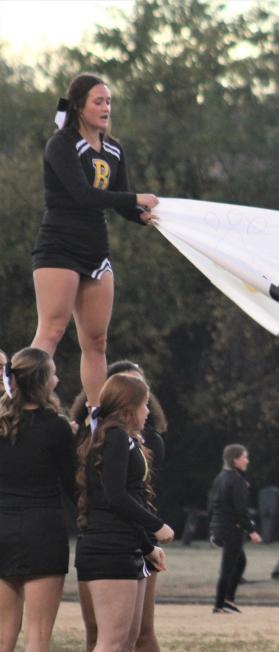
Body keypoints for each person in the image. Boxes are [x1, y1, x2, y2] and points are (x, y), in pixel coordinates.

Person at [31, 73, 160, 409]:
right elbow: (84, 195)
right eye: (98, 102)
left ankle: (98, 420)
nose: (106, 108)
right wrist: (134, 200)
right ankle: (24, 404)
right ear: (78, 106)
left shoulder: (115, 149)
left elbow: (117, 200)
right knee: (53, 330)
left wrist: (142, 216)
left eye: (109, 102)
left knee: (97, 341)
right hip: (59, 245)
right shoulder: (61, 143)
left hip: (95, 250)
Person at [73, 360, 169, 652]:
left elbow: (131, 497)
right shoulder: (113, 437)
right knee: (109, 643)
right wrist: (157, 527)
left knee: (124, 641)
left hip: (126, 544)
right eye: (143, 404)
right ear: (128, 408)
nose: (147, 410)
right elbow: (116, 496)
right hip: (108, 547)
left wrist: (146, 546)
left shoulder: (126, 439)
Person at [0, 348, 76, 652]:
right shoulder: (57, 428)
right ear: (44, 383)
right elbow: (72, 484)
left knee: (2, 637)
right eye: (54, 373)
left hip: (2, 530)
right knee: (38, 638)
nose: (58, 378)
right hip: (43, 531)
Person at [209, 443, 262, 614]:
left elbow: (215, 505)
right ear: (235, 460)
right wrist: (251, 530)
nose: (247, 460)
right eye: (244, 457)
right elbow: (241, 509)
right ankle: (221, 603)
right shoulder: (237, 480)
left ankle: (227, 600)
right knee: (229, 566)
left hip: (219, 526)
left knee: (239, 562)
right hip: (231, 528)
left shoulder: (220, 477)